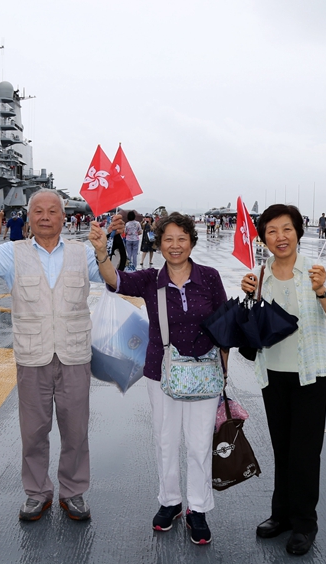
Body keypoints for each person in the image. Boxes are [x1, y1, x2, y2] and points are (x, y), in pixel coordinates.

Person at [0, 188, 103, 523]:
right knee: (34, 431)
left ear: (64, 217)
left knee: (76, 430)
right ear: (29, 216)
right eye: (38, 211)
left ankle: (74, 492)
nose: (45, 217)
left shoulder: (83, 253)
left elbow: (114, 278)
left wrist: (108, 248)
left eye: (53, 211)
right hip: (32, 355)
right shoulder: (13, 252)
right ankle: (37, 493)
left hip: (74, 355)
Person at [91, 212, 227, 545]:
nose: (175, 245)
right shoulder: (151, 279)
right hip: (160, 370)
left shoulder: (209, 277)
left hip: (205, 374)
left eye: (182, 238)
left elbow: (225, 326)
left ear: (192, 242)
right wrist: (100, 251)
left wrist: (225, 377)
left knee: (198, 445)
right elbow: (115, 280)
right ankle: (170, 501)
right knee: (165, 439)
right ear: (159, 243)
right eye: (168, 239)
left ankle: (198, 508)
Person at [240, 204, 326, 557]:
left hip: (310, 376)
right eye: (271, 231)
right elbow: (251, 323)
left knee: (305, 454)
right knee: (283, 449)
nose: (280, 237)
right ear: (264, 238)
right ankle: (281, 515)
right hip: (273, 374)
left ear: (298, 232)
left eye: (286, 229)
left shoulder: (314, 273)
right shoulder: (260, 274)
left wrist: (322, 290)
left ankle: (304, 523)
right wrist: (246, 296)